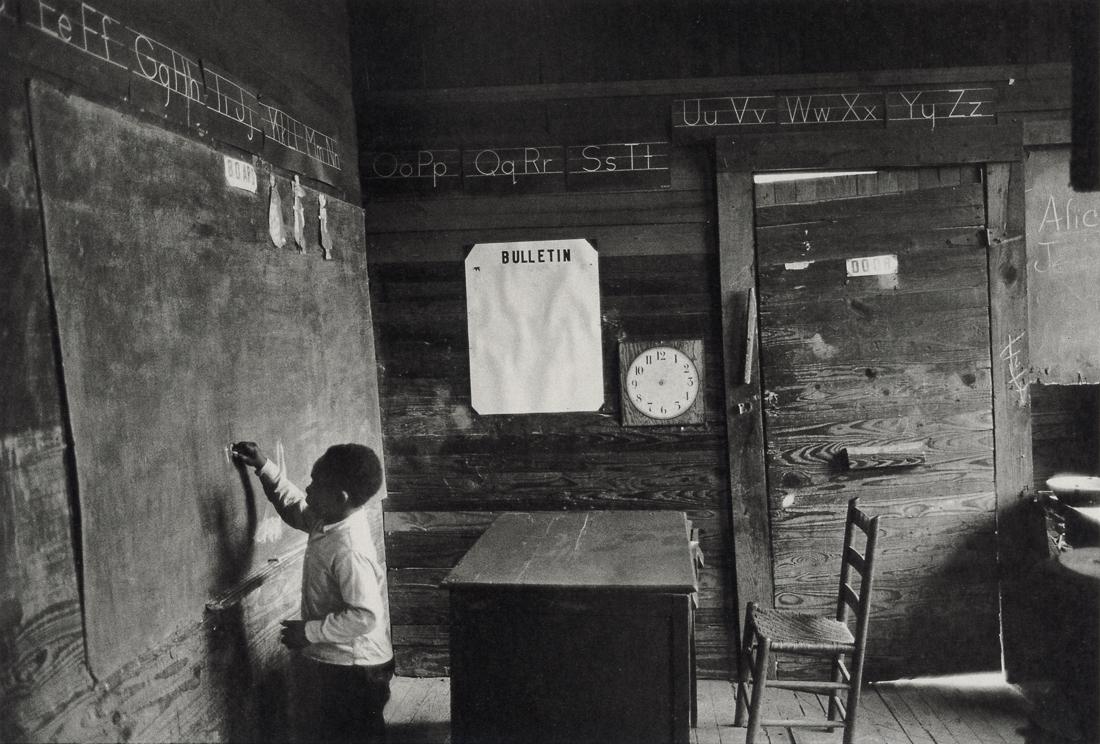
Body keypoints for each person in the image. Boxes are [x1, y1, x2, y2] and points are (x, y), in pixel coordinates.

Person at [231, 441, 393, 744]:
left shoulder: (350, 549)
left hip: (358, 667)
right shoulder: (330, 519)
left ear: (340, 497)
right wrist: (264, 467)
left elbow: (365, 615)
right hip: (342, 660)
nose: (308, 488)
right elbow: (294, 507)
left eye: (316, 484)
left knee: (356, 736)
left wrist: (309, 632)